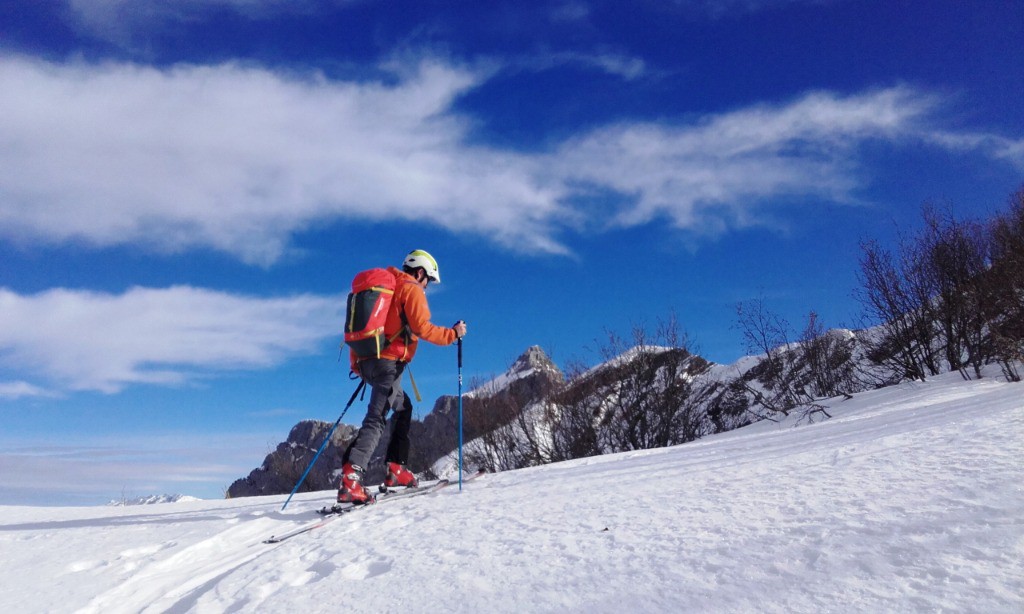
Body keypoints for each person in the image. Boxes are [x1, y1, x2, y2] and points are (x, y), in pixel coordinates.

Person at [338, 249, 467, 503]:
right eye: (428, 279)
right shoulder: (411, 288)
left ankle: (396, 468)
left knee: (403, 406)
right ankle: (351, 479)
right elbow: (423, 328)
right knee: (376, 419)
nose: (427, 285)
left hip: (366, 363)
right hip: (388, 365)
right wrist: (454, 334)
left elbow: (362, 330)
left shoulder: (383, 287)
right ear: (420, 272)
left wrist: (360, 366)